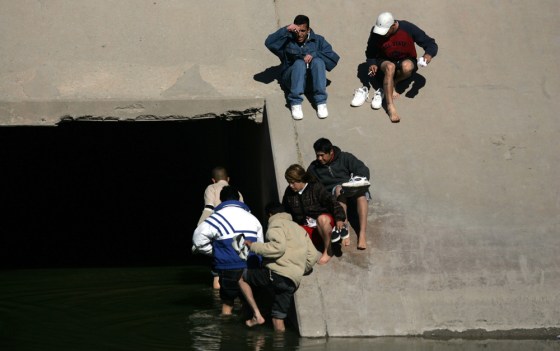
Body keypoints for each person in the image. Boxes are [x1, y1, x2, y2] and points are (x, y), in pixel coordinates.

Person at [238, 201, 319, 332]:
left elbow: (278, 248)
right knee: (278, 317)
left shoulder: (275, 224)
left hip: (276, 274)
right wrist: (297, 269)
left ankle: (257, 315)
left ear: (270, 214)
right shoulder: (299, 229)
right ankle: (280, 344)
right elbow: (313, 255)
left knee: (241, 277)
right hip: (292, 280)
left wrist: (253, 246)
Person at [350, 11, 438, 123]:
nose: (382, 34)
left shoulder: (407, 28)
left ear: (393, 25)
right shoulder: (376, 32)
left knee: (407, 67)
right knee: (390, 67)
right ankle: (390, 106)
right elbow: (370, 52)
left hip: (405, 59)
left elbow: (430, 43)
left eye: (385, 32)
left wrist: (428, 54)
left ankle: (392, 83)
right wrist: (372, 63)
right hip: (384, 61)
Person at [192, 185, 263, 315]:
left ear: (221, 200)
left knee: (227, 303)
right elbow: (261, 245)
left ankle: (227, 332)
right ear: (238, 199)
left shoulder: (216, 218)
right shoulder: (253, 219)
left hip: (228, 267)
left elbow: (198, 240)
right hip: (251, 267)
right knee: (248, 303)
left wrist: (216, 252)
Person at [265, 14, 340, 120]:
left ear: (308, 30)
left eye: (303, 31)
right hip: (291, 80)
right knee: (300, 63)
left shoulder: (318, 40)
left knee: (318, 61)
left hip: (311, 82)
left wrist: (314, 54)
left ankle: (321, 102)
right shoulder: (287, 41)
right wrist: (286, 29)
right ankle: (295, 103)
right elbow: (269, 43)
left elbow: (333, 59)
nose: (299, 34)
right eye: (297, 31)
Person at [307, 138, 371, 250]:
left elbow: (362, 169)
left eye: (322, 155)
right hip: (335, 196)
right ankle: (344, 230)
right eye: (317, 155)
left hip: (351, 189)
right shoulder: (314, 168)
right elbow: (311, 187)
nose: (319, 158)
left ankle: (362, 234)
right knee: (338, 189)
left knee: (361, 195)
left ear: (331, 152)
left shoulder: (345, 157)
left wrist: (356, 181)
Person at [282, 164, 346, 265]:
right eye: (289, 182)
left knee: (322, 219)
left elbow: (333, 202)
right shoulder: (289, 192)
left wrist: (339, 218)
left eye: (293, 182)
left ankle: (329, 250)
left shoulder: (315, 187)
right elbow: (285, 211)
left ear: (301, 179)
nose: (290, 185)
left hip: (325, 225)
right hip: (307, 227)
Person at [197, 166, 243, 290]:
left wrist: (199, 229)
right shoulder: (237, 192)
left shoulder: (211, 188)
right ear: (228, 179)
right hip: (235, 232)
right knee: (237, 269)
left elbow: (208, 208)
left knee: (217, 270)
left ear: (213, 180)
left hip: (218, 231)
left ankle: (218, 299)